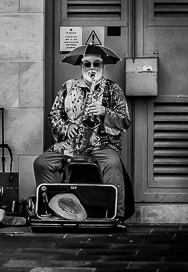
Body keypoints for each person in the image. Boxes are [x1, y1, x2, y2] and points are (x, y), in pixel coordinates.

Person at [33, 45, 131, 220]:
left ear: (103, 66)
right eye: (87, 64)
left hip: (102, 145)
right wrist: (66, 127)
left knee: (113, 165)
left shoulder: (112, 89)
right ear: (81, 66)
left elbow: (125, 121)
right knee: (41, 163)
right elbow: (54, 115)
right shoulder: (68, 87)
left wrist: (104, 112)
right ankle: (56, 208)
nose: (92, 68)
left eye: (96, 64)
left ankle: (117, 216)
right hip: (71, 145)